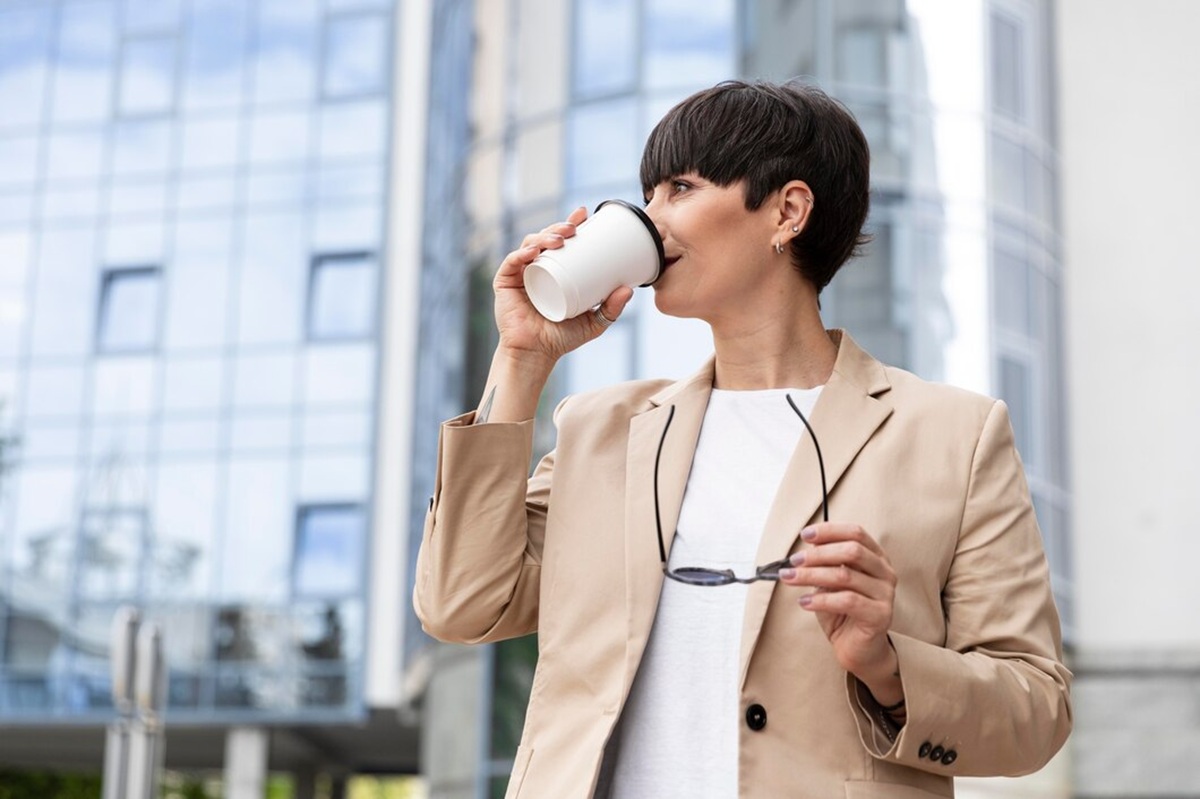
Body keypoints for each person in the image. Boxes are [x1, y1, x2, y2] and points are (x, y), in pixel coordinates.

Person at [414, 80, 1071, 798]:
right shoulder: (599, 429)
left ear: (786, 211)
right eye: (649, 194)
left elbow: (1034, 711)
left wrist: (888, 663)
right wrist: (522, 359)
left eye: (680, 187)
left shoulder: (954, 435)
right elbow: (460, 603)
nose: (650, 218)